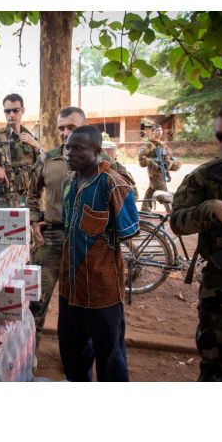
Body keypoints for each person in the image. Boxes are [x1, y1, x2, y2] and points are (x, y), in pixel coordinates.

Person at [26, 107, 137, 347]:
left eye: (72, 128)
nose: (65, 133)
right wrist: (34, 219)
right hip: (53, 237)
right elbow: (32, 192)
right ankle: (29, 352)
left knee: (86, 300)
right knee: (35, 298)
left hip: (91, 243)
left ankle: (79, 356)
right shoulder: (47, 158)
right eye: (61, 128)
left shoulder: (105, 162)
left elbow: (128, 192)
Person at [59, 125, 139, 382]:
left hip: (103, 291)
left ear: (97, 151)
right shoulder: (69, 182)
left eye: (78, 148)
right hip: (70, 289)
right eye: (68, 147)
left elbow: (128, 231)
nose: (70, 153)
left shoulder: (113, 185)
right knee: (72, 353)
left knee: (110, 356)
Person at [171, 101, 222, 381]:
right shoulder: (206, 176)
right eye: (221, 137)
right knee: (215, 371)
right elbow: (177, 222)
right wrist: (209, 208)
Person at [0, 93, 41, 207]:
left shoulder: (31, 139)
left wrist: (37, 146)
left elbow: (43, 168)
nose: (11, 114)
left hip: (28, 203)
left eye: (15, 110)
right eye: (7, 111)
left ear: (22, 110)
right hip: (2, 203)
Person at [138, 124, 181, 211]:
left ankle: (145, 209)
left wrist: (173, 162)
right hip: (155, 173)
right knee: (163, 192)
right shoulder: (149, 145)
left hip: (163, 171)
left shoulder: (162, 145)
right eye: (157, 130)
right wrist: (152, 162)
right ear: (153, 132)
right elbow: (141, 157)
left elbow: (169, 156)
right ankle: (172, 212)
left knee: (151, 189)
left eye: (160, 130)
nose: (159, 132)